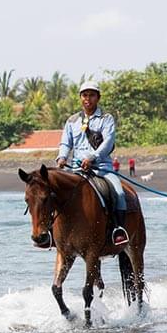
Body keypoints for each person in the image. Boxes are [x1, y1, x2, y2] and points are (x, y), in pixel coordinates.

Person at [56, 81, 128, 245]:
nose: (88, 99)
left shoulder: (106, 119)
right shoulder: (72, 121)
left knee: (120, 193)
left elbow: (108, 143)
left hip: (102, 168)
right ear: (80, 98)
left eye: (92, 95)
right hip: (76, 169)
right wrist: (62, 157)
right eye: (85, 95)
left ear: (98, 98)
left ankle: (119, 230)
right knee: (55, 194)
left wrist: (92, 158)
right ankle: (54, 233)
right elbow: (66, 143)